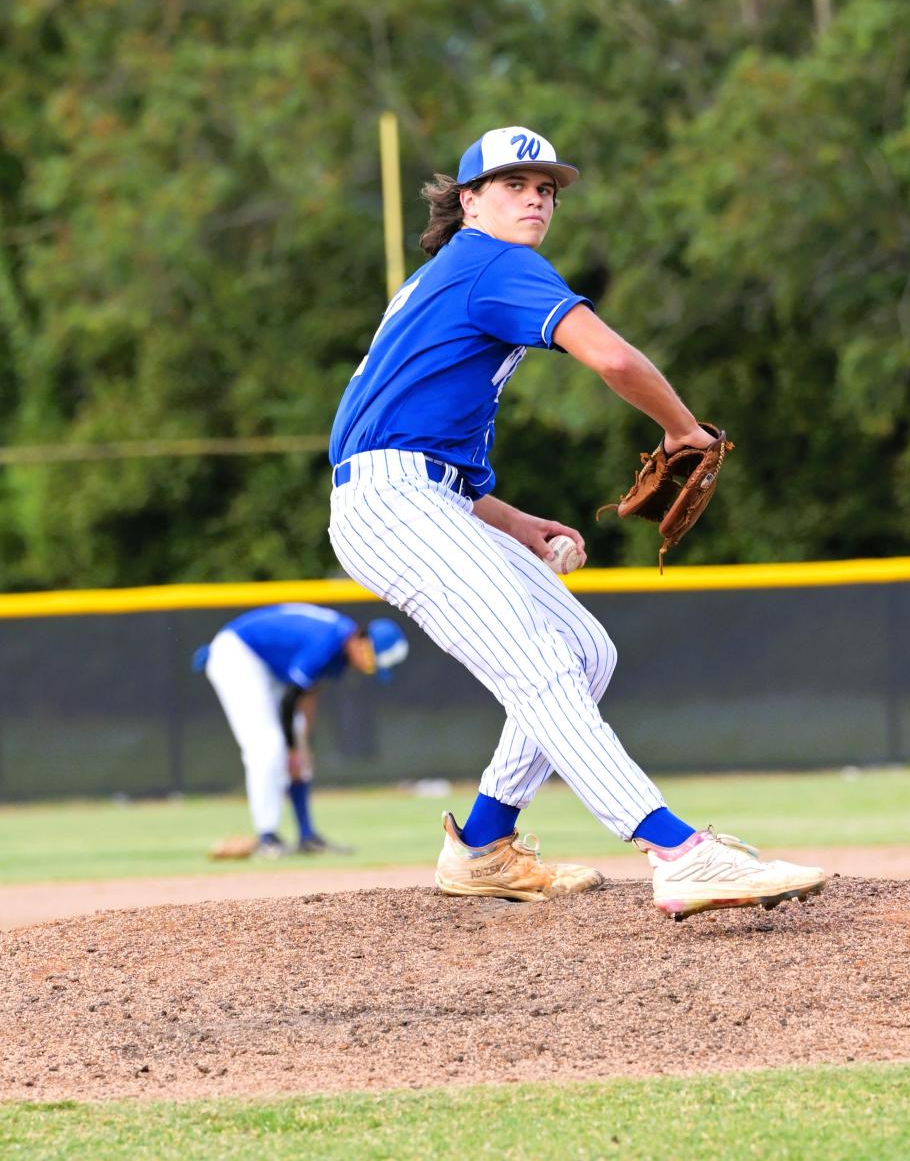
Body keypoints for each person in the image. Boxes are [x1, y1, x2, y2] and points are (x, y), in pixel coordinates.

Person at [326, 125, 826, 919]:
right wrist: (685, 431)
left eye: (547, 188)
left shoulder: (448, 277)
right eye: (515, 183)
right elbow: (616, 360)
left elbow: (404, 437)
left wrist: (511, 519)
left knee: (586, 651)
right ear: (468, 201)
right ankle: (678, 851)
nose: (536, 197)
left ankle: (485, 846)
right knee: (540, 664)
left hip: (421, 495)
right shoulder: (493, 261)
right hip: (393, 503)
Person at [192, 604, 409, 858]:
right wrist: (293, 750)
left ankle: (307, 836)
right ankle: (267, 838)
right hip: (238, 654)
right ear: (362, 641)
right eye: (371, 662)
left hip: (266, 667)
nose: (366, 668)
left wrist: (301, 744)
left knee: (297, 744)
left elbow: (307, 695)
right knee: (268, 746)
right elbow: (289, 701)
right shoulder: (327, 642)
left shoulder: (341, 645)